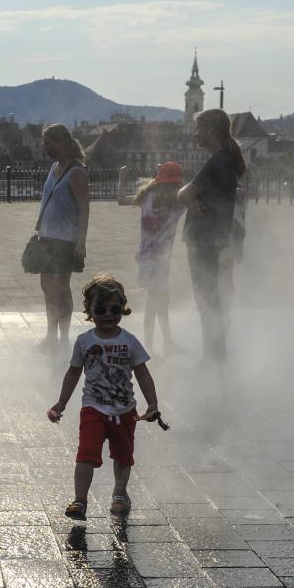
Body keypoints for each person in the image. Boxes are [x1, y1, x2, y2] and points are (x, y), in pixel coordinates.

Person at [47, 275, 165, 520]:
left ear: (122, 308)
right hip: (93, 408)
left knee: (123, 455)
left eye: (114, 309)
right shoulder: (85, 341)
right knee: (86, 453)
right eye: (100, 309)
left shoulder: (129, 341)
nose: (108, 314)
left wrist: (152, 404)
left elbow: (143, 373)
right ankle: (80, 500)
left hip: (124, 410)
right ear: (89, 310)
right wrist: (61, 403)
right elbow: (73, 372)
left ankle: (120, 493)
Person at [177, 109, 245, 361]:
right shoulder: (224, 159)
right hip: (211, 238)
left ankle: (214, 356)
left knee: (207, 300)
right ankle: (215, 354)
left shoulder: (217, 161)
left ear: (211, 131)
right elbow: (189, 195)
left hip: (204, 239)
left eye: (198, 128)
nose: (195, 133)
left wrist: (190, 200)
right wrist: (192, 200)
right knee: (209, 299)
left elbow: (182, 194)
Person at [118, 162, 186, 356]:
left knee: (159, 302)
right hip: (160, 261)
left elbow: (121, 200)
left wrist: (122, 178)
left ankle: (166, 343)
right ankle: (150, 346)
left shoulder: (147, 196)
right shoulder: (179, 202)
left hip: (148, 260)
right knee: (155, 304)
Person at [36, 123, 90, 352]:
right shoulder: (54, 168)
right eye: (44, 141)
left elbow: (84, 208)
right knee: (47, 287)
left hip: (65, 240)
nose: (46, 146)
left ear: (63, 143)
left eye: (50, 141)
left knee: (61, 287)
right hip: (47, 237)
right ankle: (50, 335)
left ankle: (64, 337)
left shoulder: (76, 172)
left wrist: (81, 241)